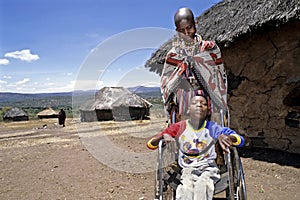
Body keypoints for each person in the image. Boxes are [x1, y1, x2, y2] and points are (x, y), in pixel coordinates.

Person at [147, 92, 244, 200]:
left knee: (202, 186)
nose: (199, 105)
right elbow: (151, 144)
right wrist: (164, 135)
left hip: (209, 168)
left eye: (203, 103)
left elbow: (240, 140)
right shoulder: (179, 127)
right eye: (195, 103)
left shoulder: (213, 128)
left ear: (208, 111)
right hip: (187, 169)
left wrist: (227, 137)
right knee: (185, 189)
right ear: (188, 109)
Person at [161, 7, 227, 122]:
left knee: (213, 135)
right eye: (182, 31)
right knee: (185, 136)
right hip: (184, 105)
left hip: (210, 103)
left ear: (195, 23)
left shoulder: (210, 49)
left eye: (189, 28)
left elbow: (221, 77)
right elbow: (166, 83)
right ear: (177, 31)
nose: (187, 33)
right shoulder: (173, 55)